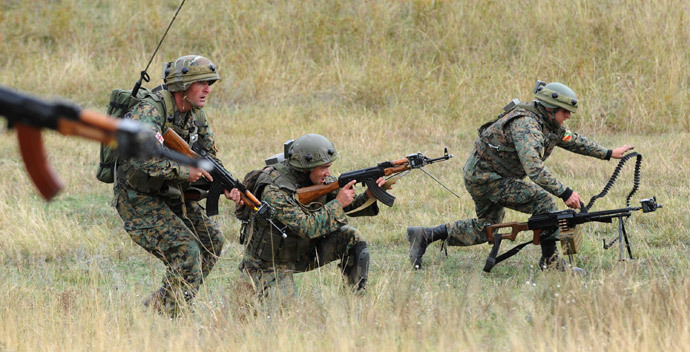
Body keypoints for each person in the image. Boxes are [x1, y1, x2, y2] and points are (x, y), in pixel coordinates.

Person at [407, 81, 634, 272]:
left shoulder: (547, 123)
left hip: (484, 175)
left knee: (488, 226)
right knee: (543, 202)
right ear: (550, 108)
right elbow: (534, 169)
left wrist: (607, 153)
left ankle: (426, 235)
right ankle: (551, 262)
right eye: (564, 112)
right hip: (486, 178)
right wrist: (566, 193)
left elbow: (570, 140)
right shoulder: (527, 126)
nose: (568, 116)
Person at [113, 55, 232, 316]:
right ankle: (167, 317)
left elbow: (209, 156)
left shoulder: (196, 115)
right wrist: (183, 171)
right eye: (201, 83)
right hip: (137, 196)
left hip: (170, 191)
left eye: (209, 83)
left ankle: (159, 309)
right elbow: (142, 158)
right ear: (182, 86)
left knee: (212, 242)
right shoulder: (149, 111)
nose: (208, 89)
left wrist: (226, 185)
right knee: (186, 251)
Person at [232, 134, 384, 302]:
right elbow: (307, 227)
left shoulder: (316, 179)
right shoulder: (275, 191)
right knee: (290, 314)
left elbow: (350, 205)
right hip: (268, 263)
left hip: (301, 251)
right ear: (306, 168)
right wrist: (338, 204)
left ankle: (355, 301)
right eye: (323, 168)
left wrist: (370, 194)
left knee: (352, 238)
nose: (328, 173)